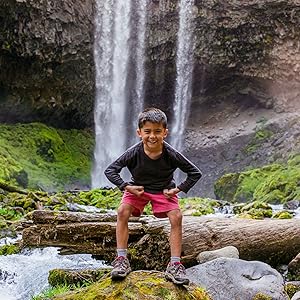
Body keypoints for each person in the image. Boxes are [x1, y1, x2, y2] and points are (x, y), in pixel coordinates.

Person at [104, 107, 202, 285]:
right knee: (122, 211)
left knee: (176, 217)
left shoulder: (171, 153)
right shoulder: (134, 152)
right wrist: (126, 186)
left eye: (157, 131)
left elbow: (195, 173)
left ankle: (175, 264)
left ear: (165, 132)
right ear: (139, 132)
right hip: (137, 189)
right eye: (147, 131)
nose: (152, 136)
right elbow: (110, 170)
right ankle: (121, 260)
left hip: (164, 190)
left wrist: (177, 190)